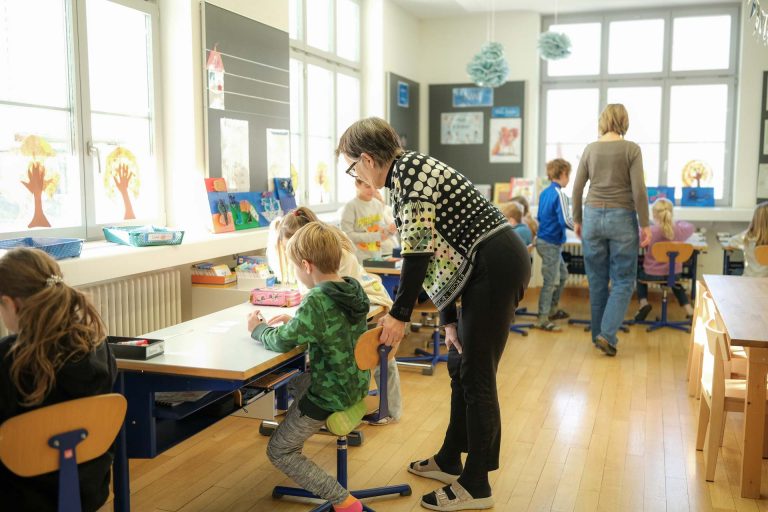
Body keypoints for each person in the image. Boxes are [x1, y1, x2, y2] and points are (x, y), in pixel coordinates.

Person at [336, 117, 531, 512]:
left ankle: (477, 484)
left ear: (367, 159)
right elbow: (439, 256)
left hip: (495, 266)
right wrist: (449, 320)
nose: (355, 176)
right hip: (481, 267)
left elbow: (418, 253)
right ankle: (449, 458)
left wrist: (399, 315)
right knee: (459, 365)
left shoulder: (409, 176)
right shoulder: (404, 176)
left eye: (353, 168)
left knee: (477, 374)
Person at [249, 222, 371, 512]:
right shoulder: (352, 289)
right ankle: (296, 427)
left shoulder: (317, 298)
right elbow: (330, 327)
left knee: (280, 450)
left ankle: (344, 502)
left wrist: (258, 329)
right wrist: (298, 323)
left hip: (328, 395)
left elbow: (281, 342)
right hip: (354, 384)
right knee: (291, 380)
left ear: (306, 265)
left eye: (295, 268)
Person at [0, 248, 117, 511]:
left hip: (19, 496)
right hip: (87, 488)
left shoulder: (8, 359)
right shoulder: (98, 346)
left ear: (11, 303)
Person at [270, 207, 402, 423]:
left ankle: (389, 409)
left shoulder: (340, 256)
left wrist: (301, 320)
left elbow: (336, 300)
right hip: (348, 302)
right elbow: (319, 299)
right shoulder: (313, 259)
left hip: (368, 301)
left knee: (378, 351)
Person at [572, 103, 651, 357]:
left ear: (603, 121)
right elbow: (639, 191)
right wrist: (645, 224)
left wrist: (577, 219)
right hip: (622, 217)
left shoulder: (590, 149)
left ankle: (599, 336)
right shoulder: (631, 149)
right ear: (624, 121)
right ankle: (606, 335)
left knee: (596, 280)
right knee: (624, 280)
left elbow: (577, 189)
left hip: (592, 216)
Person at [634, 198, 696, 321]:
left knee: (637, 273)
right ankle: (689, 310)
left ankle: (644, 303)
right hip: (674, 274)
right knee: (674, 282)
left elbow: (638, 240)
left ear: (654, 214)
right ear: (670, 213)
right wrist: (675, 222)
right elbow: (691, 227)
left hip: (651, 274)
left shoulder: (649, 232)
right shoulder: (679, 230)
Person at [535, 159, 575, 331]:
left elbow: (540, 217)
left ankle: (552, 310)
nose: (569, 179)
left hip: (544, 241)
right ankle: (542, 318)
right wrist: (582, 228)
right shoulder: (560, 194)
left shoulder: (544, 193)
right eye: (569, 175)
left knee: (563, 275)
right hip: (550, 243)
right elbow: (566, 220)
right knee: (550, 282)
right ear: (563, 173)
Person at [340, 178, 397, 263]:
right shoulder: (350, 207)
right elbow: (347, 236)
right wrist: (377, 236)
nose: (372, 190)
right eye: (367, 186)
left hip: (376, 256)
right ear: (357, 185)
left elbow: (380, 230)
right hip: (359, 259)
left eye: (374, 187)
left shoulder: (378, 204)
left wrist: (389, 230)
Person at [728, 201, 768, 277]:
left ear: (755, 219)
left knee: (735, 272)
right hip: (765, 282)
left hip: (750, 279)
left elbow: (731, 242)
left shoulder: (747, 237)